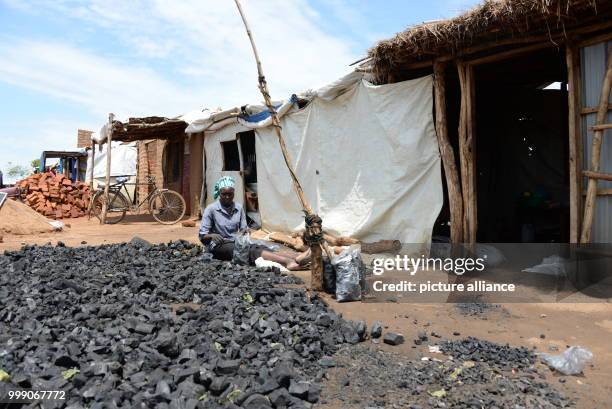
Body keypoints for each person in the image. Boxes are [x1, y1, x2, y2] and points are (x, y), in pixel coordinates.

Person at [199, 176, 305, 270]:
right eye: (224, 194)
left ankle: (296, 257)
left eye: (230, 194)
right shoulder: (211, 209)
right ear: (219, 193)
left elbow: (243, 229)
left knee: (260, 247)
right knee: (248, 250)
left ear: (234, 193)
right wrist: (212, 236)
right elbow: (202, 236)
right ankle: (287, 262)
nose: (227, 197)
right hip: (219, 246)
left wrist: (245, 231)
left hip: (236, 242)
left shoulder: (238, 208)